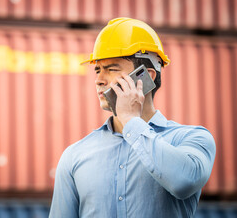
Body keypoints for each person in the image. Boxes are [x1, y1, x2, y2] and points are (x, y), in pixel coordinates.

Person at [49, 18, 216, 218]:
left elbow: (183, 182)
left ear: (146, 77)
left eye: (111, 69)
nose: (99, 80)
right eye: (97, 70)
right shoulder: (74, 156)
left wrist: (131, 121)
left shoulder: (192, 139)